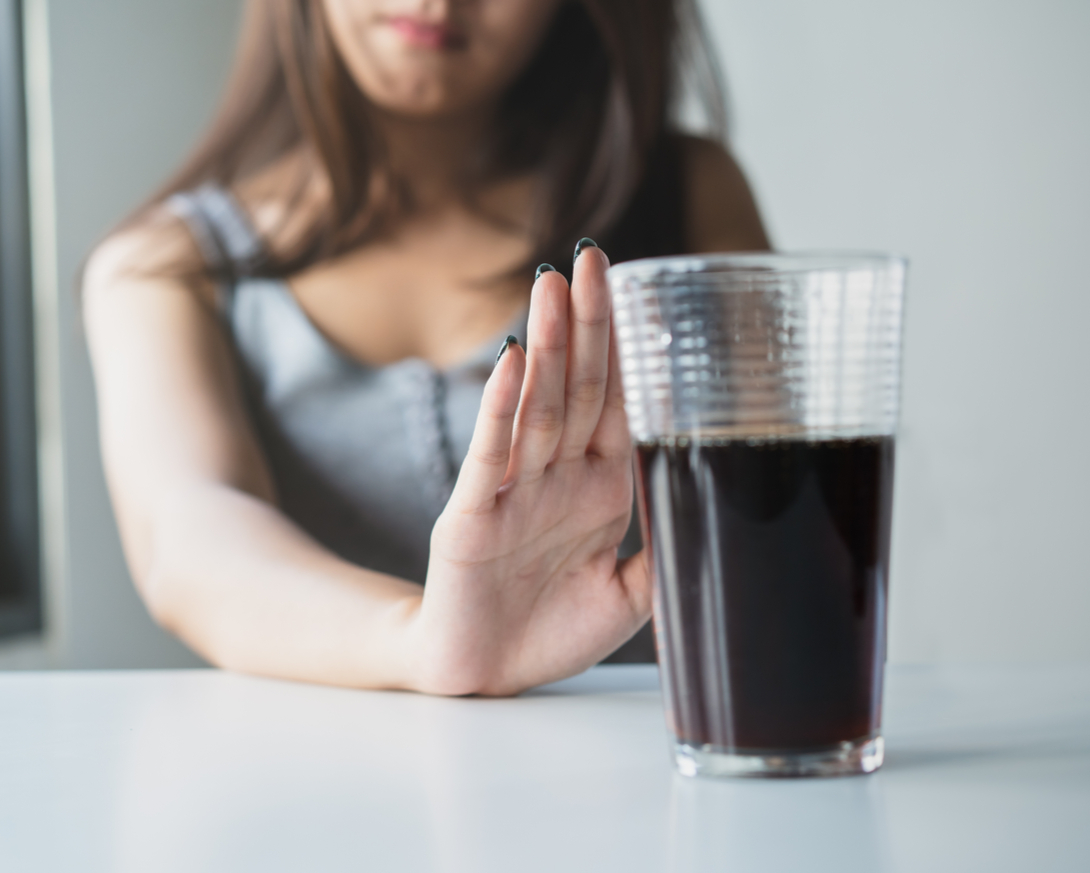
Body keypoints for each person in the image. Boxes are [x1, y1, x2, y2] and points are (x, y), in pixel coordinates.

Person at [83, 0, 769, 695]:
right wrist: (427, 640)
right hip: (325, 790)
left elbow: (774, 524)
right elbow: (191, 536)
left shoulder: (689, 199)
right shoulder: (165, 267)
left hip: (652, 783)